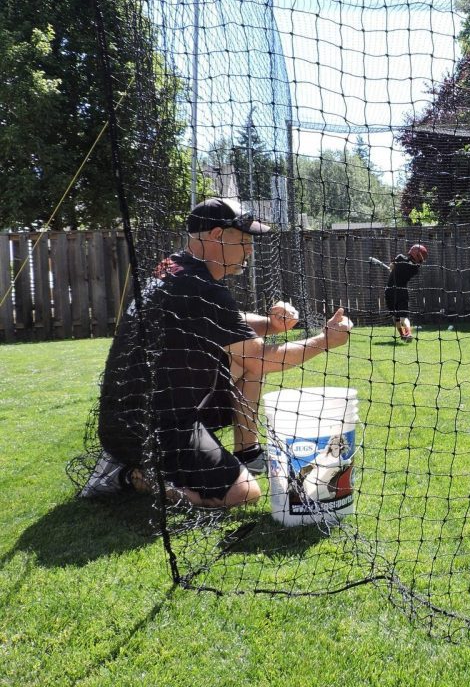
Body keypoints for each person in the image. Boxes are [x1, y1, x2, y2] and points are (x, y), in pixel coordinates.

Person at [80, 197, 353, 508]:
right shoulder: (202, 286)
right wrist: (325, 341)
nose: (250, 250)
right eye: (244, 240)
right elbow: (263, 358)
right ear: (217, 236)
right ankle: (128, 475)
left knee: (243, 363)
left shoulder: (176, 267)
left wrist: (271, 324)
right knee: (243, 493)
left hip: (128, 416)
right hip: (153, 427)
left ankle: (247, 453)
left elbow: (220, 321)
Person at [384, 243, 428, 342]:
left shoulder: (400, 258)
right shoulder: (415, 269)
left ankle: (403, 335)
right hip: (402, 292)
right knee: (403, 317)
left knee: (396, 316)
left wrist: (393, 268)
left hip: (390, 291)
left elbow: (391, 267)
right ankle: (408, 333)